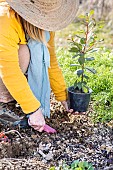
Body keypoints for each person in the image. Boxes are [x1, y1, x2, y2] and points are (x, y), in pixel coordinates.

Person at [0, 0, 79, 132]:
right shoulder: (5, 19)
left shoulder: (45, 25)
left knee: (32, 51)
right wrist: (33, 109)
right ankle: (3, 102)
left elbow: (51, 61)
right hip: (4, 67)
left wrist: (63, 96)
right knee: (23, 53)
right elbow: (9, 71)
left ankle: (13, 99)